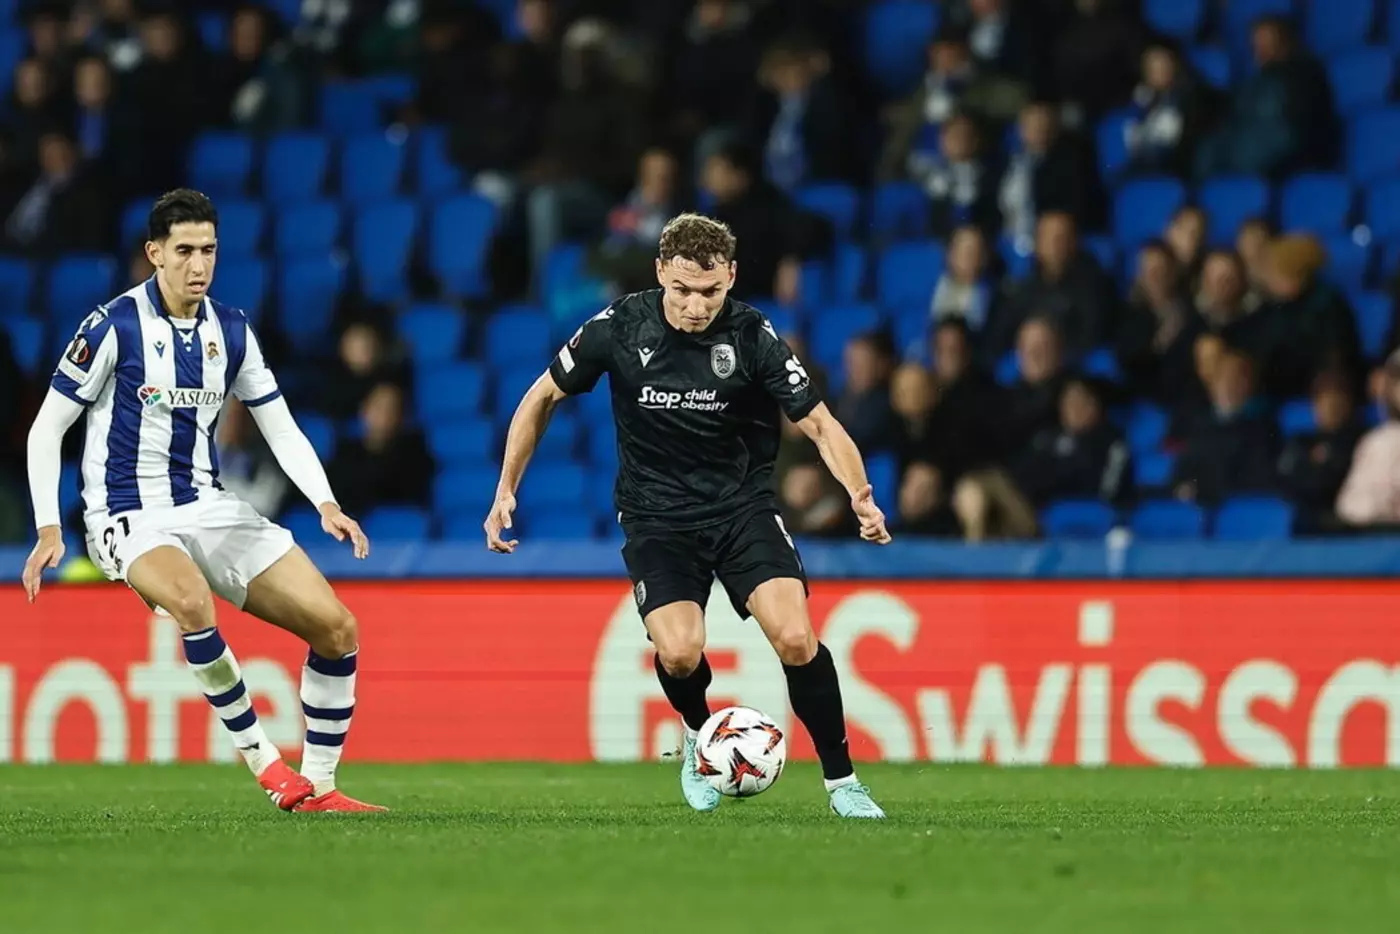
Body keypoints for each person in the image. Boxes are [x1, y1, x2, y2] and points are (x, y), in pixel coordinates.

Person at [485, 213, 891, 819]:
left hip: (742, 509)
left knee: (795, 637)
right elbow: (542, 395)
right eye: (682, 290)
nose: (696, 306)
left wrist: (859, 492)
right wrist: (505, 488)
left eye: (710, 291)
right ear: (659, 273)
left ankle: (843, 782)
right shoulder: (620, 326)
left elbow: (819, 423)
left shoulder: (752, 334)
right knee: (679, 652)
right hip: (656, 517)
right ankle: (702, 744)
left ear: (731, 277)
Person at [21, 189, 383, 814]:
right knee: (192, 601)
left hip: (206, 503)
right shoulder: (113, 326)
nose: (199, 264)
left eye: (209, 250)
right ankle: (267, 765)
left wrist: (325, 502)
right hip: (125, 513)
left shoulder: (232, 330)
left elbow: (279, 426)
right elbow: (46, 428)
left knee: (337, 628)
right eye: (185, 250)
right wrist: (49, 528)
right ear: (154, 254)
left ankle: (320, 788)